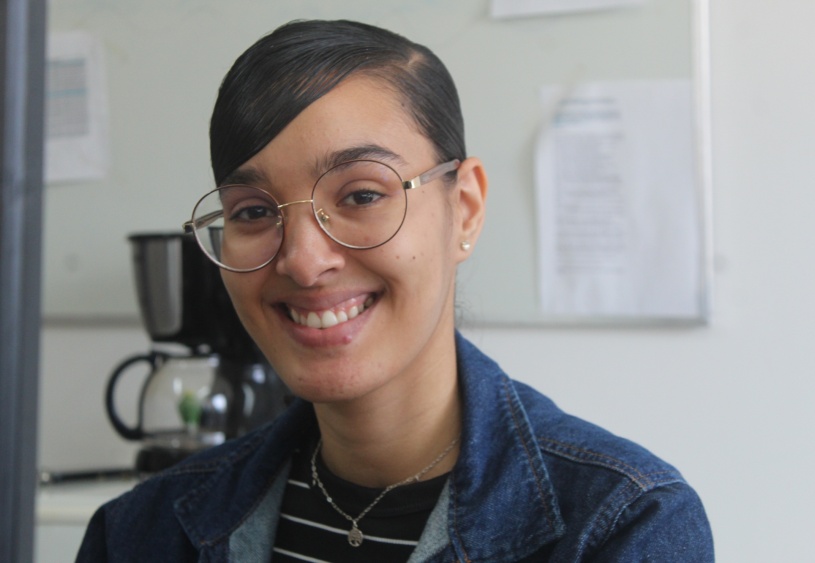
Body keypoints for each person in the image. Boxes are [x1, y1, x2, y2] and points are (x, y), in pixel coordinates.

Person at [76, 19, 714, 562]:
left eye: (361, 195)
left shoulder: (620, 524)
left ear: (462, 209)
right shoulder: (141, 532)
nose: (303, 261)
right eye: (252, 212)